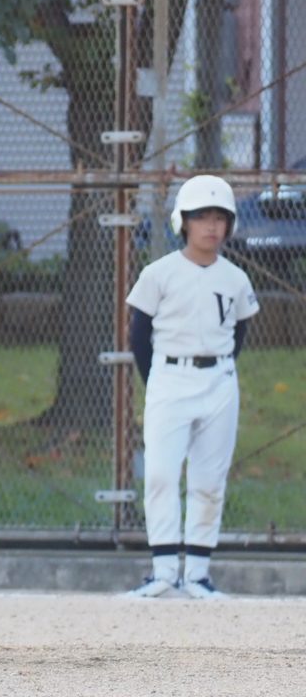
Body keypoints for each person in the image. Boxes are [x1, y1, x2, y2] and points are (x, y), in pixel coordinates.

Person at [125, 174, 259, 599]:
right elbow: (139, 335)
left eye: (220, 217)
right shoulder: (159, 273)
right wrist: (157, 380)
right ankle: (164, 572)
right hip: (169, 377)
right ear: (182, 221)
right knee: (161, 474)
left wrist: (219, 370)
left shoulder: (235, 278)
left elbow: (238, 333)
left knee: (209, 478)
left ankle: (198, 573)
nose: (211, 226)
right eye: (201, 216)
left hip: (219, 381)